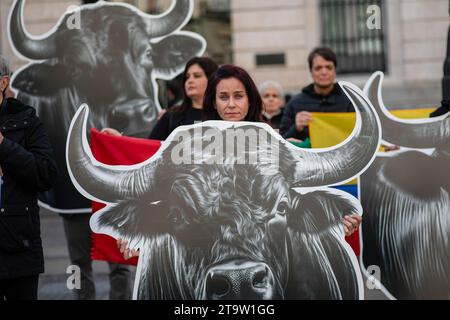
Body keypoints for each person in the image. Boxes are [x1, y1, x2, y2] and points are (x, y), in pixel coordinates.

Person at [0, 56, 57, 300]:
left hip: (18, 249)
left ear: (2, 83)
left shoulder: (28, 122)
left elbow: (45, 174)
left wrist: (3, 145)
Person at [280, 47, 353, 142]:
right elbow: (280, 142)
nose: (324, 72)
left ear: (335, 71)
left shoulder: (350, 101)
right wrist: (296, 128)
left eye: (329, 67)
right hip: (305, 157)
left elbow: (362, 136)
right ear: (311, 72)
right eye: (318, 68)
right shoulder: (294, 103)